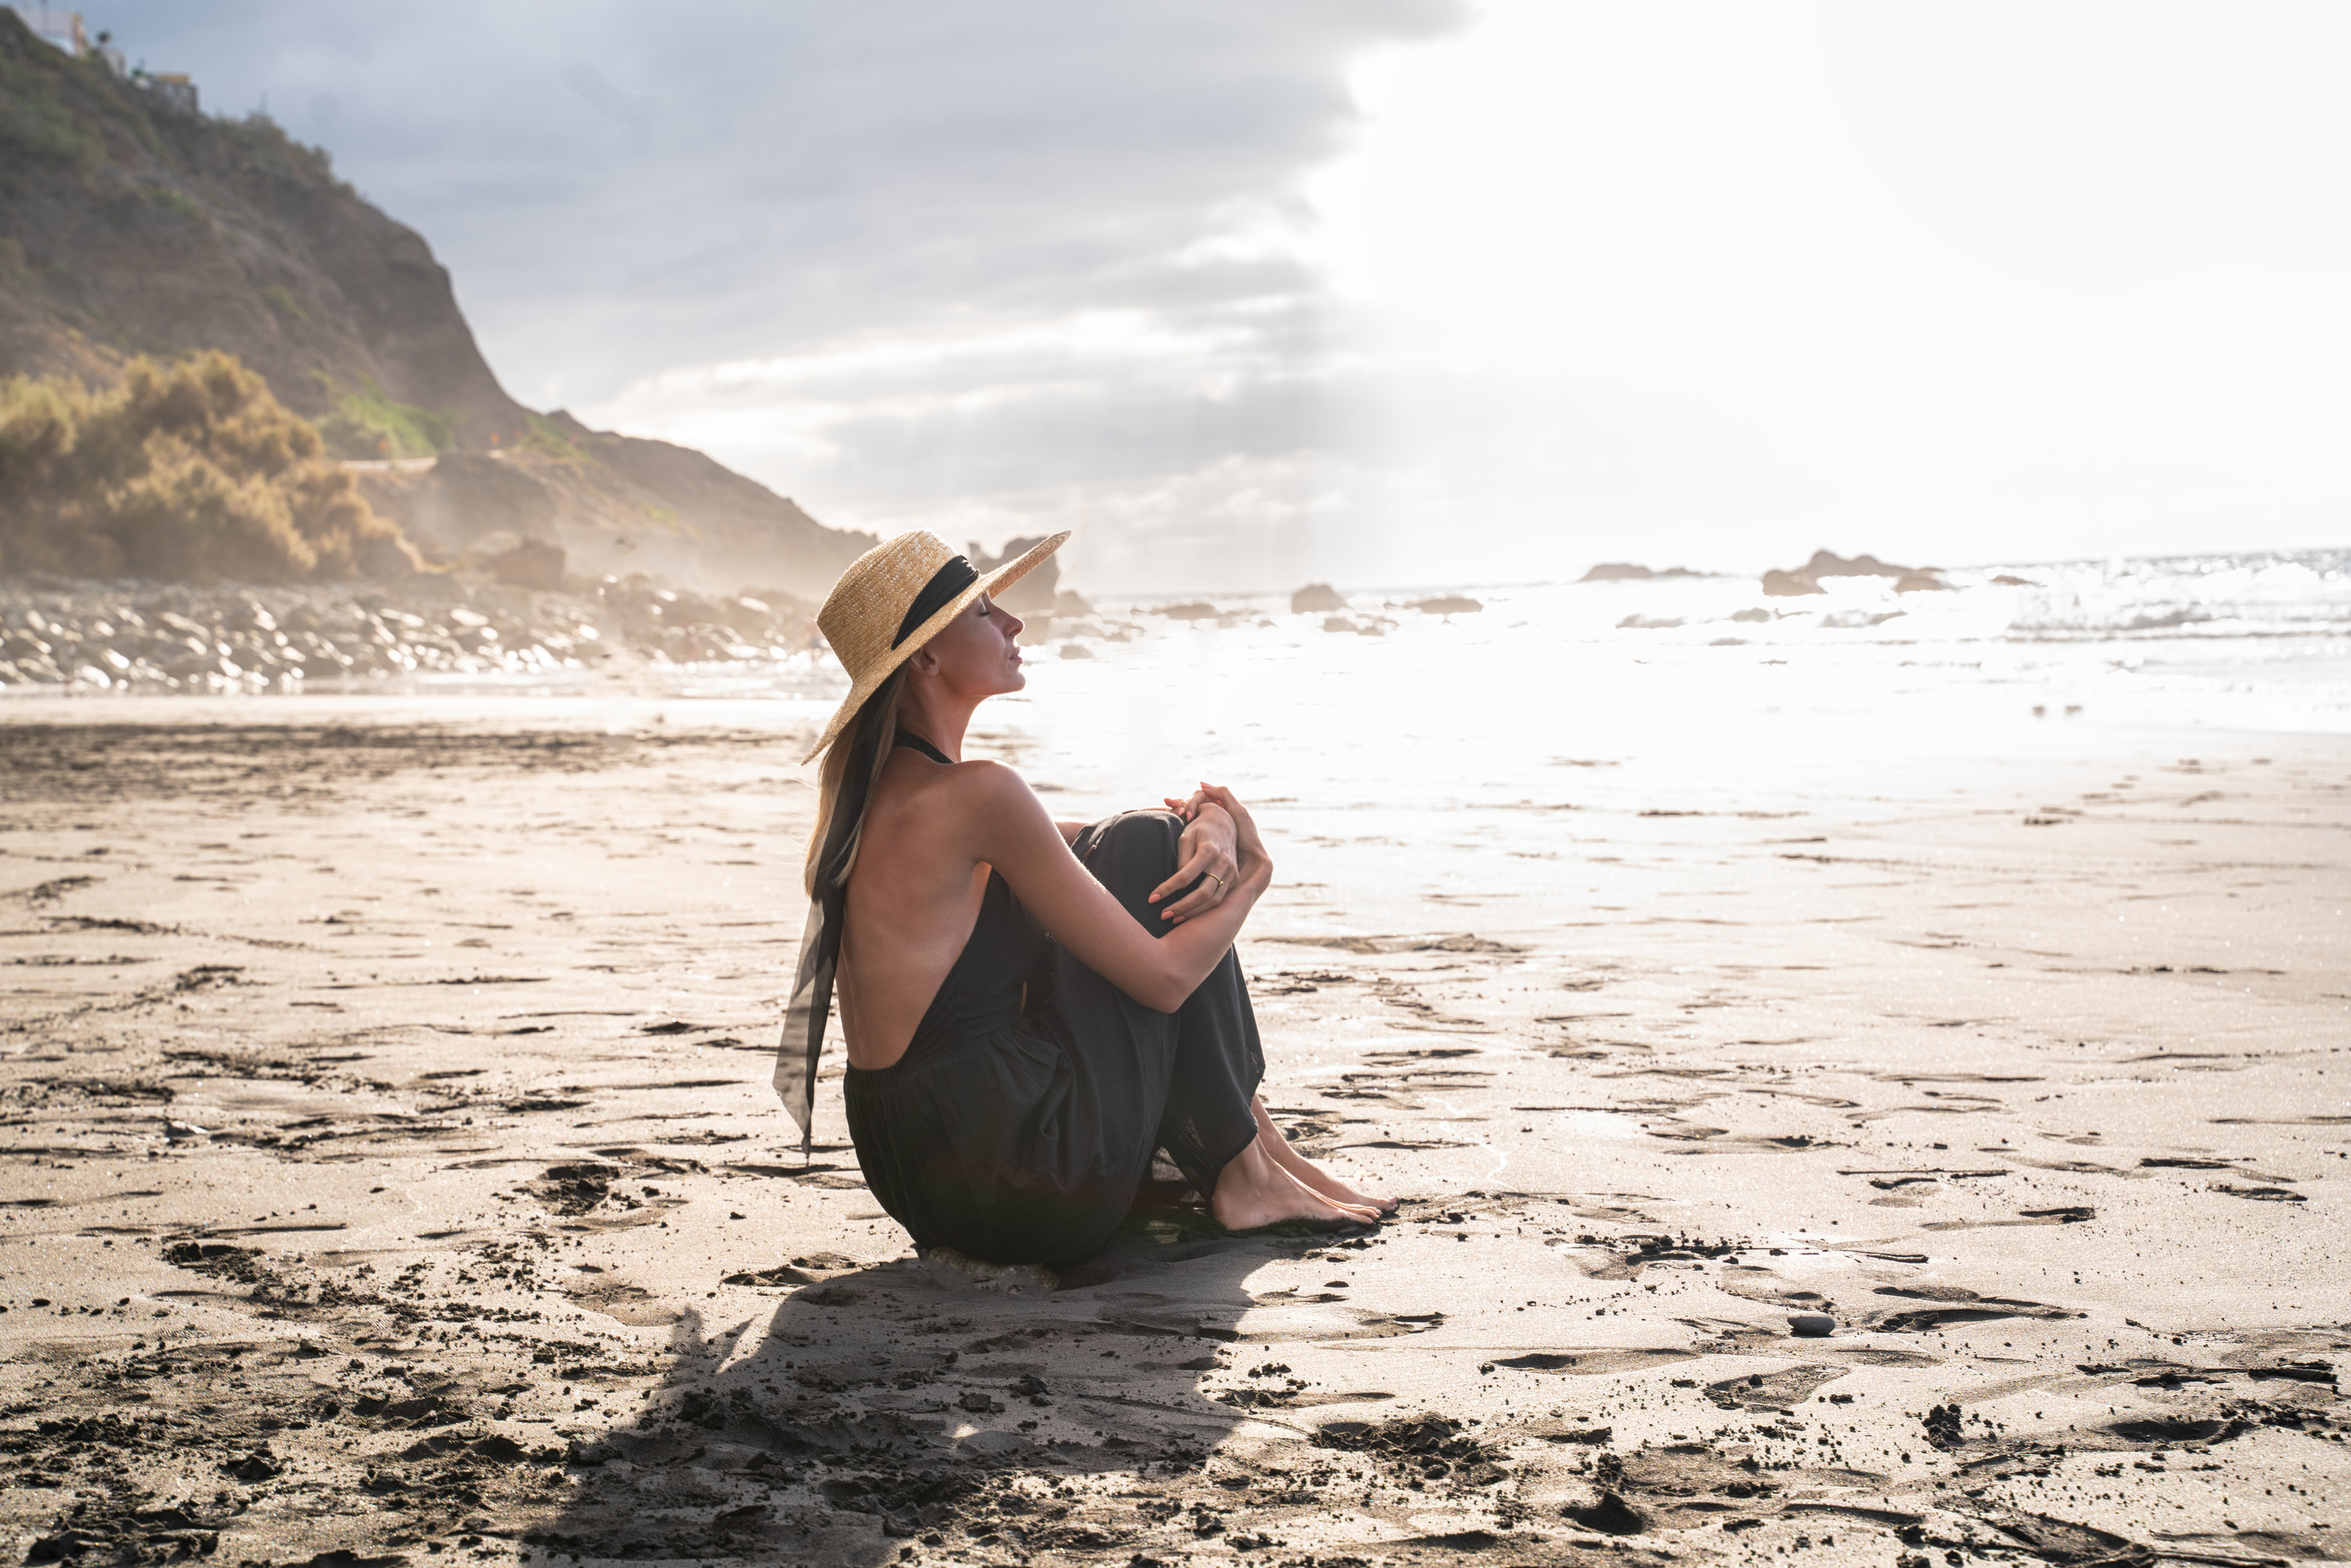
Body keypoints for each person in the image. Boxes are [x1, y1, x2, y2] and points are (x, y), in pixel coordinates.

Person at [775, 530, 1392, 1268]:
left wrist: (1209, 818)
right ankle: (1248, 1173)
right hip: (1012, 1173)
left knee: (1141, 842)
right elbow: (1163, 980)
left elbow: (1106, 842)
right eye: (982, 611)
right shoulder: (978, 796)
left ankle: (1265, 1159)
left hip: (920, 1174)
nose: (1014, 624)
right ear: (927, 658)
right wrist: (1251, 875)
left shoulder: (886, 800)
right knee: (1146, 851)